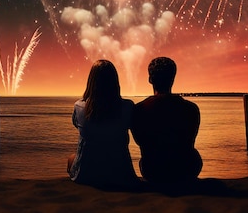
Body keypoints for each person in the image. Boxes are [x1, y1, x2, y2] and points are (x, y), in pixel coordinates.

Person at [131, 57, 202, 185]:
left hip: (153, 171)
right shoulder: (191, 108)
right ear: (173, 78)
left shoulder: (139, 109)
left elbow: (139, 141)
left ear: (150, 79)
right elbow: (190, 139)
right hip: (186, 170)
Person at [67, 59, 138, 189]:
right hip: (121, 174)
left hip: (86, 175)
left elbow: (77, 124)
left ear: (91, 81)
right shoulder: (127, 106)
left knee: (71, 158)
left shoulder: (79, 106)